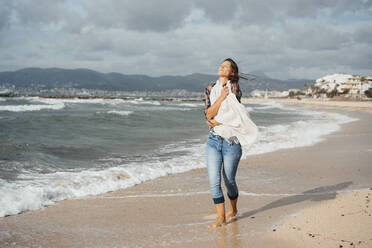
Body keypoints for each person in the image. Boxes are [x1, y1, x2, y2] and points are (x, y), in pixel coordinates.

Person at [204, 58, 258, 229]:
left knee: (229, 181)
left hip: (231, 141)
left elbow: (232, 114)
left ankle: (233, 209)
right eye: (221, 64)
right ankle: (221, 218)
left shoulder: (234, 88)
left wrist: (217, 119)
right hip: (213, 140)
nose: (222, 66)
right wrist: (220, 98)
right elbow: (208, 114)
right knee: (214, 181)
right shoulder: (210, 88)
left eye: (226, 66)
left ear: (232, 73)